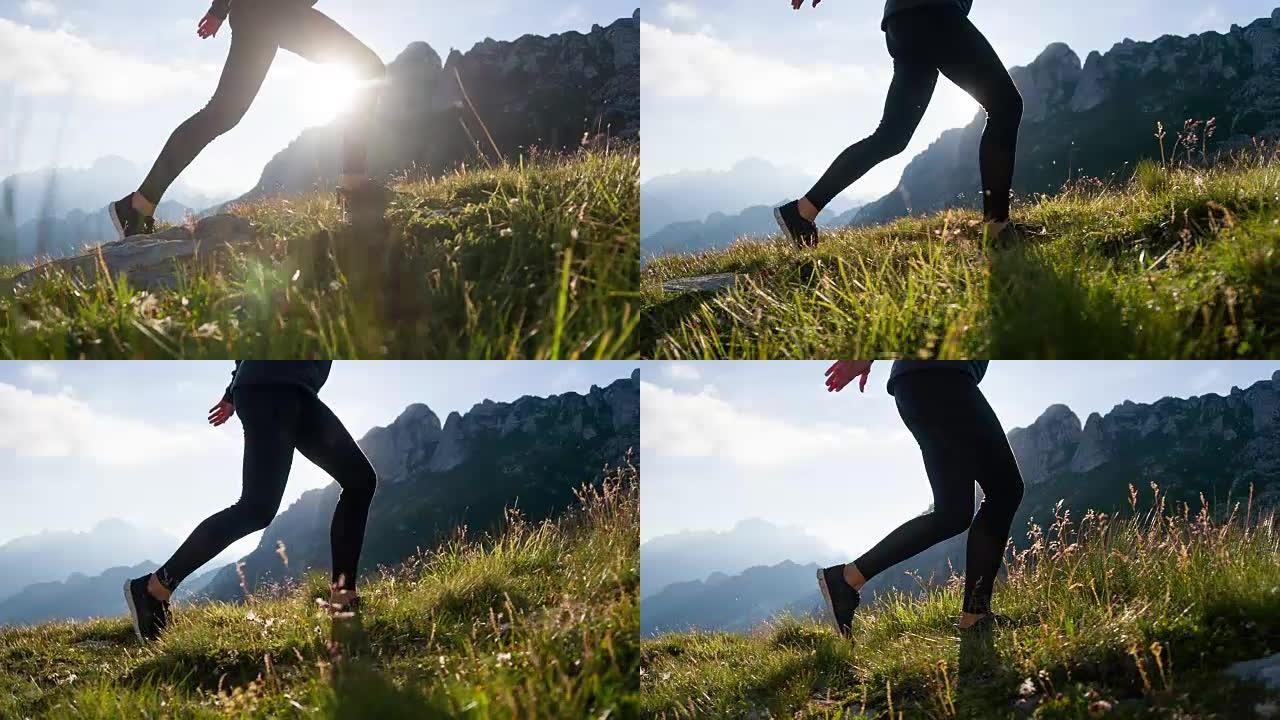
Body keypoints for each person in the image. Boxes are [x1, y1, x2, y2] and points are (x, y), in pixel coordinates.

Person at [124, 361, 378, 642]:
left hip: (295, 390)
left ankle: (344, 598)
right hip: (271, 387)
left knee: (359, 481)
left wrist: (232, 391)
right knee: (256, 508)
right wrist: (235, 388)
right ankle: (153, 589)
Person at [109, 0, 387, 239]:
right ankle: (354, 188)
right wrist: (219, 9)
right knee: (367, 67)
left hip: (270, 13)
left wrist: (221, 9)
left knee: (222, 114)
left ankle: (137, 207)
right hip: (271, 12)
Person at [774, 0, 1023, 247]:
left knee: (891, 137)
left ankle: (802, 211)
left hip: (904, 22)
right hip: (934, 14)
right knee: (1005, 105)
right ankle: (998, 228)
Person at [818, 359, 1024, 635]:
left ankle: (847, 578)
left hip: (917, 384)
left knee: (952, 513)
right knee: (1005, 491)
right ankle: (975, 616)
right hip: (942, 377)